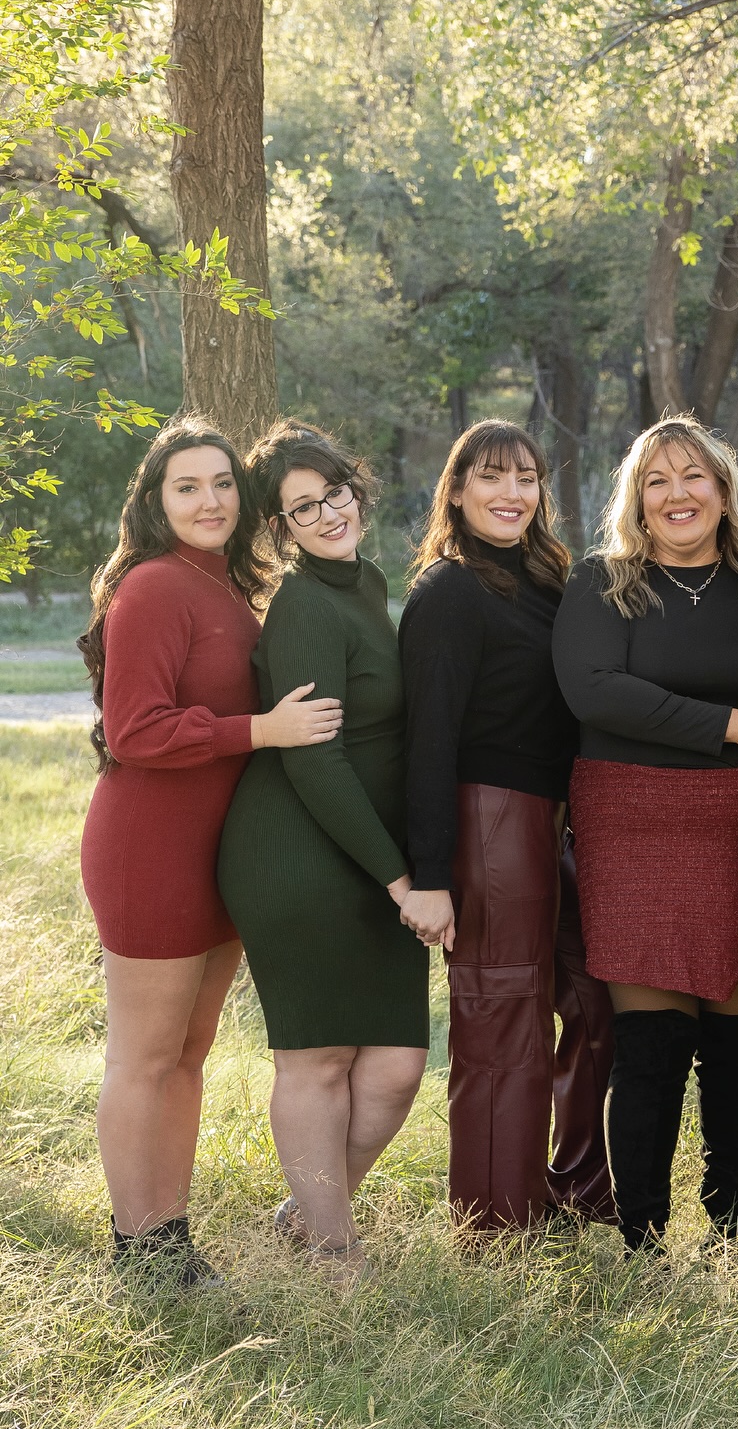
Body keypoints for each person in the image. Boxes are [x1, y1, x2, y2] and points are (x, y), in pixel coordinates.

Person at [78, 418, 342, 1286]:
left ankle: (171, 1235)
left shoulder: (228, 588)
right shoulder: (154, 587)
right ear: (156, 502)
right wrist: (262, 731)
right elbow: (135, 729)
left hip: (217, 857)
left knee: (187, 1055)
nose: (209, 500)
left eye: (223, 484)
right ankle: (138, 1245)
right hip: (150, 848)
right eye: (187, 486)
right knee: (145, 1056)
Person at [552, 414, 738, 1255]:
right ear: (637, 498)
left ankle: (730, 1231)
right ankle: (644, 1240)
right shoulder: (603, 583)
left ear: (724, 490)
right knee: (651, 1044)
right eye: (656, 481)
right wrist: (734, 724)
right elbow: (597, 694)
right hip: (631, 826)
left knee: (737, 1043)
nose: (676, 494)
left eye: (693, 476)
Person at [218, 421, 429, 1278]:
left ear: (355, 487)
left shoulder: (366, 581)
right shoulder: (304, 602)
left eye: (334, 492)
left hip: (371, 855)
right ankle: (336, 1256)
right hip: (299, 856)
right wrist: (399, 878)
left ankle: (309, 1217)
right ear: (280, 528)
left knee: (397, 1065)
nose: (327, 512)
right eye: (302, 508)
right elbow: (313, 757)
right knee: (318, 1060)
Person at [398, 420, 615, 1232]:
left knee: (597, 1003)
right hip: (488, 823)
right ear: (455, 491)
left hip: (557, 827)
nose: (512, 494)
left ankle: (576, 1193)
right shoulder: (449, 590)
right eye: (490, 477)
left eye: (526, 478)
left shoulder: (545, 579)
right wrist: (429, 876)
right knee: (501, 1022)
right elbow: (429, 738)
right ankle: (495, 1226)